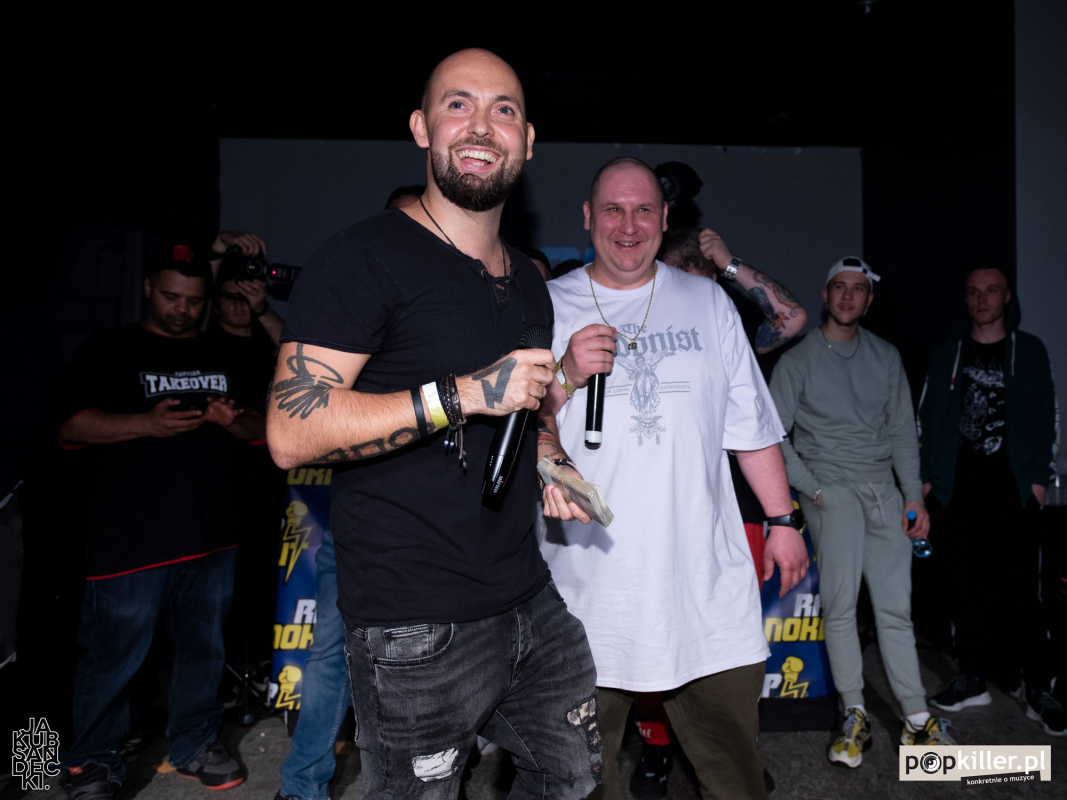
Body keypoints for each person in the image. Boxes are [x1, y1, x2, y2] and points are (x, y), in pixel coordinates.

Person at [266, 49, 600, 800]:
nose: (481, 125)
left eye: (503, 110)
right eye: (458, 104)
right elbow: (289, 430)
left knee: (572, 780)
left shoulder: (527, 284)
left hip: (528, 597)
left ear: (528, 141)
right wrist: (462, 393)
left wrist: (553, 462)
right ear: (421, 127)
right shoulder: (362, 257)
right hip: (414, 623)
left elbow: (523, 408)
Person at [542, 156, 809, 800]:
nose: (628, 225)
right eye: (613, 209)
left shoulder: (707, 300)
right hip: (586, 591)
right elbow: (515, 423)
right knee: (578, 776)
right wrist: (566, 375)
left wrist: (783, 520)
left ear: (665, 219)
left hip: (702, 584)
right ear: (588, 216)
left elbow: (749, 423)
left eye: (643, 210)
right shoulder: (548, 302)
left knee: (733, 769)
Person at [56, 244, 266, 798]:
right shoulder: (109, 349)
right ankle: (92, 763)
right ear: (149, 287)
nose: (183, 309)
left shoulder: (224, 352)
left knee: (204, 653)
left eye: (194, 300)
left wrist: (231, 419)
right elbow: (73, 426)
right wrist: (145, 424)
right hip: (129, 542)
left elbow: (260, 429)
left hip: (211, 537)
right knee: (113, 658)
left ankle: (194, 744)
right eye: (172, 296)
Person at [621, 226, 806, 797]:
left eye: (703, 283)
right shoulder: (638, 328)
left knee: (728, 646)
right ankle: (656, 746)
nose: (692, 297)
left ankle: (733, 748)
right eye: (683, 282)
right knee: (653, 630)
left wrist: (727, 264)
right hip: (660, 509)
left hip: (741, 507)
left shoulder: (725, 321)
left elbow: (793, 318)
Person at [768, 257, 954, 769]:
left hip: (884, 493)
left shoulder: (885, 356)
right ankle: (854, 714)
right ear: (825, 295)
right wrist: (813, 488)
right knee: (842, 607)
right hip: (832, 492)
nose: (848, 296)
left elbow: (902, 432)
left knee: (896, 611)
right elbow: (773, 435)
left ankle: (916, 718)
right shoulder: (799, 360)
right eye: (839, 287)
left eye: (858, 289)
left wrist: (913, 496)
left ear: (869, 300)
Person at [918, 259, 1063, 735]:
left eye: (992, 290)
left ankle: (1039, 687)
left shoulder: (1029, 350)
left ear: (1007, 297)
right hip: (956, 494)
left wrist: (1038, 481)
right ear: (966, 298)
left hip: (1013, 493)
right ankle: (972, 679)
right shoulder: (948, 353)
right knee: (965, 592)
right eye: (974, 291)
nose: (982, 298)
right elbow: (924, 418)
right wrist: (928, 480)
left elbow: (1047, 415)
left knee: (1024, 594)